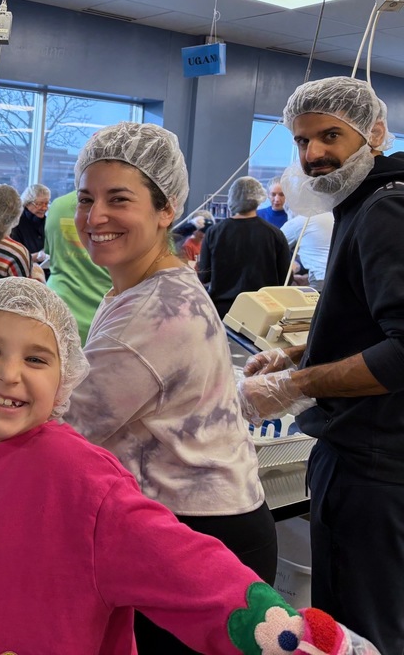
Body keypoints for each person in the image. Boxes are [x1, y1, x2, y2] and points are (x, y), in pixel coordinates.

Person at [0, 277, 377, 655]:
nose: (9, 373)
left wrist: (299, 638)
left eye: (36, 358)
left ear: (65, 379)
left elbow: (191, 572)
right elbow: (20, 525)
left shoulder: (80, 477)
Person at [63, 122, 276, 654]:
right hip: (190, 526)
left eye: (119, 199)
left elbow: (68, 429)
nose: (96, 217)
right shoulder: (146, 285)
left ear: (166, 210)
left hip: (197, 538)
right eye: (86, 199)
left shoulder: (154, 316)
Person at [239, 76, 404, 654]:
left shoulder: (387, 210)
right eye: (302, 141)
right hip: (371, 460)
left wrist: (297, 385)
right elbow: (367, 320)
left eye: (330, 135)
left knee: (363, 629)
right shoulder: (362, 206)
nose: (313, 155)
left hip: (374, 469)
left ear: (375, 133)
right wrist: (298, 353)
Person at [197, 176, 292, 319]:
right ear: (259, 198)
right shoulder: (274, 234)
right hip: (261, 312)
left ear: (232, 198)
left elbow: (204, 275)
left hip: (223, 312)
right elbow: (285, 279)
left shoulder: (214, 232)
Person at [43, 190, 112, 344]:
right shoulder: (120, 210)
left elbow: (49, 251)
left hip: (54, 313)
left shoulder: (57, 206)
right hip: (102, 319)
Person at [281, 211, 333, 292]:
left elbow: (273, 248)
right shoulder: (333, 217)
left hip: (320, 280)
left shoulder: (300, 221)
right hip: (341, 276)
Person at [9, 183, 50, 264]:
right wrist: (35, 257)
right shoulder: (15, 223)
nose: (44, 208)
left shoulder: (47, 223)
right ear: (27, 203)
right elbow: (13, 258)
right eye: (39, 204)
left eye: (46, 203)